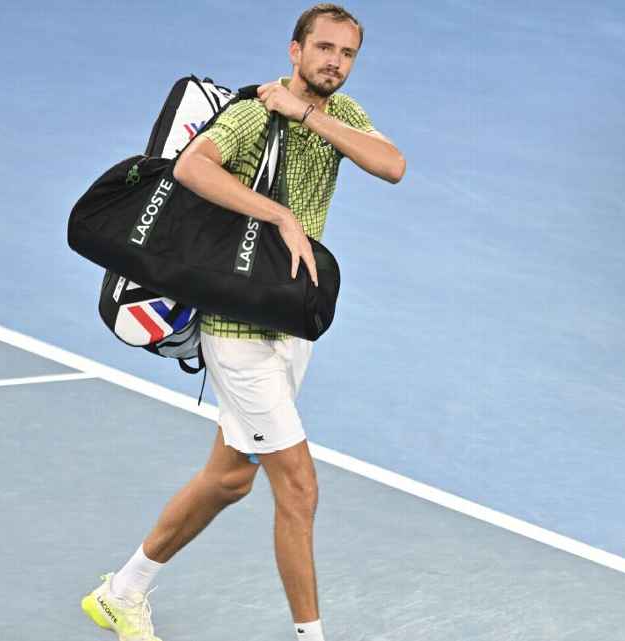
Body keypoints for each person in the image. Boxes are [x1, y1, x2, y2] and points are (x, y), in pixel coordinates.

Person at [80, 5, 405, 641]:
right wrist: (278, 217)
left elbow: (391, 165)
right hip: (236, 331)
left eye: (347, 53)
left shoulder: (340, 114)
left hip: (286, 320)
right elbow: (192, 167)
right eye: (325, 49)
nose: (335, 62)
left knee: (229, 479)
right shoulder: (254, 110)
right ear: (295, 51)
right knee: (299, 488)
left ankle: (122, 592)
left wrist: (309, 115)